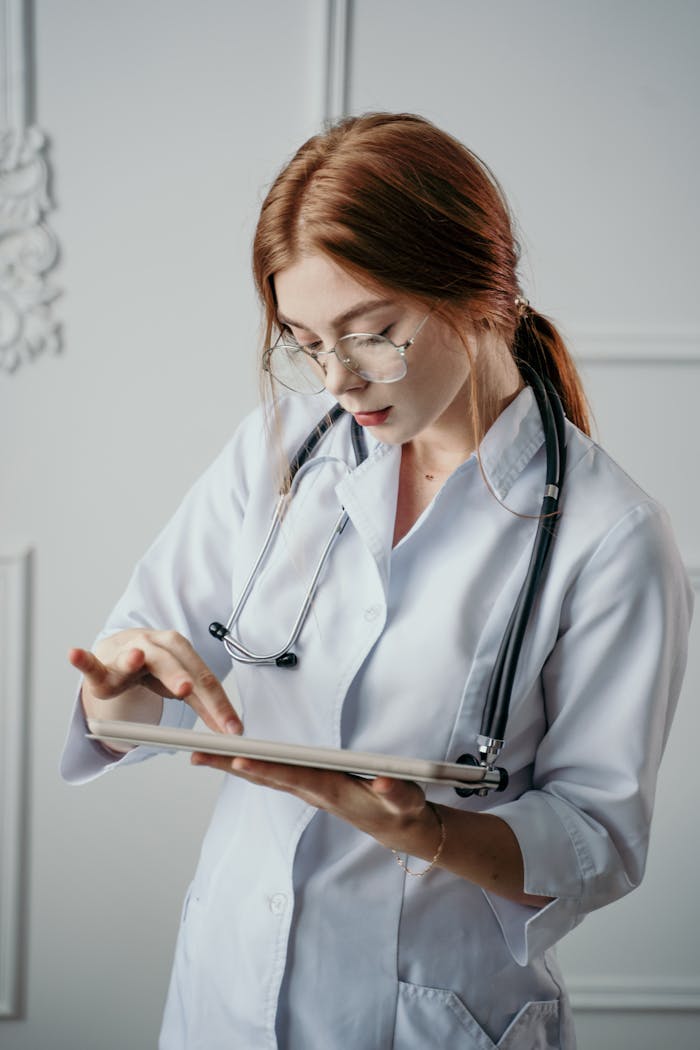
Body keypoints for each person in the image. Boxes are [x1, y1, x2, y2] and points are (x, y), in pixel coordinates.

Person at [62, 112, 693, 1050]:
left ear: (478, 293)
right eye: (307, 341)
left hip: (430, 1012)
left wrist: (425, 832)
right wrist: (119, 677)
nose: (339, 380)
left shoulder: (610, 536)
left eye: (372, 334)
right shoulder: (274, 455)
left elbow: (598, 838)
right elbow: (140, 665)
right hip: (226, 990)